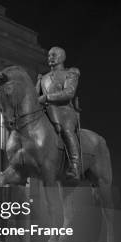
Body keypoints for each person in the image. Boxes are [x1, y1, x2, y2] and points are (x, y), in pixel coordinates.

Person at [36, 46, 81, 180]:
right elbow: (35, 96)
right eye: (49, 55)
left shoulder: (70, 73)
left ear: (62, 57)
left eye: (53, 55)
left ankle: (74, 165)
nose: (50, 58)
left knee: (67, 131)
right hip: (46, 110)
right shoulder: (42, 78)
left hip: (64, 110)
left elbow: (69, 93)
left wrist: (47, 97)